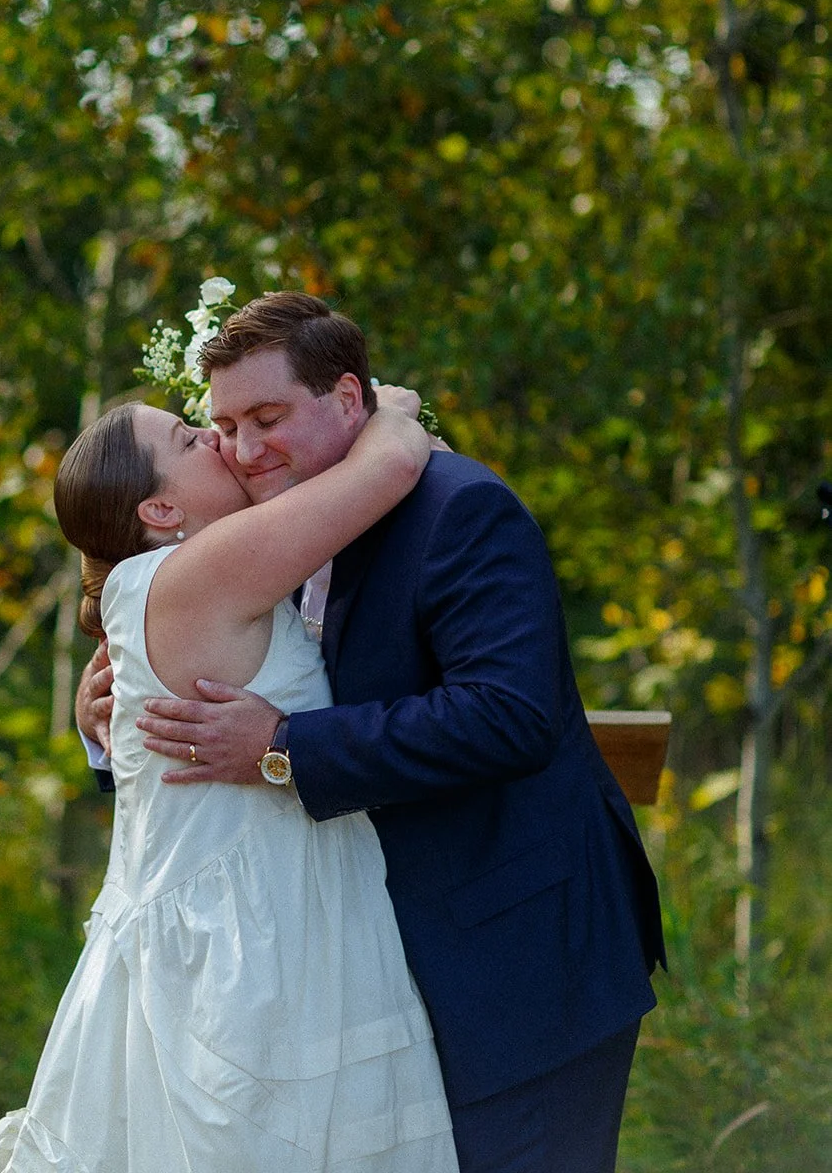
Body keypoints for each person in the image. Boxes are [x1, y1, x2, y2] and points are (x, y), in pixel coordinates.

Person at [78, 292, 666, 1173]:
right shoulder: (268, 539)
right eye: (223, 426)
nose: (243, 450)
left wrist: (283, 746)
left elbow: (508, 717)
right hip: (364, 976)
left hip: (518, 963)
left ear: (349, 400)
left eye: (267, 417)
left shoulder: (459, 510)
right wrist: (110, 727)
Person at [0, 393, 460, 1172]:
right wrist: (382, 405)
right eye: (187, 437)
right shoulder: (195, 572)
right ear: (161, 506)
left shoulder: (164, 582)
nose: (212, 435)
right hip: (250, 947)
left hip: (268, 912)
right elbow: (394, 464)